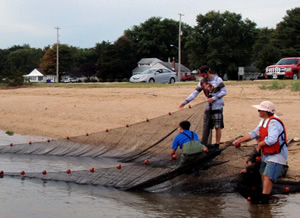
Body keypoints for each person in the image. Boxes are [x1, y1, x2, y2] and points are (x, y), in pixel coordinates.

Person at [233, 101, 288, 203]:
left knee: (268, 176)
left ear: (266, 112)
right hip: (267, 154)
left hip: (277, 155)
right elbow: (254, 133)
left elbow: (272, 139)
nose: (258, 111)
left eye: (260, 110)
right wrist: (240, 140)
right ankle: (266, 194)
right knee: (263, 173)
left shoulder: (273, 123)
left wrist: (260, 144)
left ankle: (264, 199)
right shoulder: (264, 121)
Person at [179, 65, 227, 147]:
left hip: (217, 106)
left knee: (217, 126)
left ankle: (217, 144)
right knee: (206, 126)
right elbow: (195, 93)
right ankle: (205, 143)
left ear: (208, 72)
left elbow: (224, 91)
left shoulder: (217, 80)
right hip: (208, 107)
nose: (203, 77)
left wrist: (214, 98)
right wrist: (185, 102)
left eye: (203, 75)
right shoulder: (202, 82)